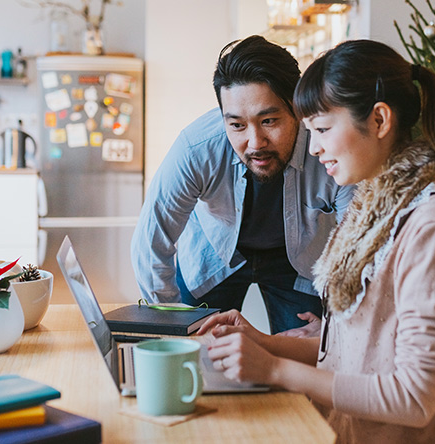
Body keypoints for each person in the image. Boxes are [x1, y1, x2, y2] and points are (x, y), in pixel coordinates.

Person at [197, 39, 435, 444]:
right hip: (338, 430)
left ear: (379, 121)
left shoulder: (433, 225)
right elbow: (362, 355)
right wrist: (264, 344)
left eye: (321, 129)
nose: (314, 149)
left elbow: (415, 399)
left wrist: (275, 370)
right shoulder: (378, 209)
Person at [131, 35, 354, 334]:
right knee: (198, 355)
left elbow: (362, 249)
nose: (255, 142)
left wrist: (336, 326)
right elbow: (151, 241)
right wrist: (171, 327)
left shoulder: (329, 148)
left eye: (269, 121)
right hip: (212, 253)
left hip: (298, 259)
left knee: (307, 352)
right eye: (236, 125)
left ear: (297, 108)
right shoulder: (197, 147)